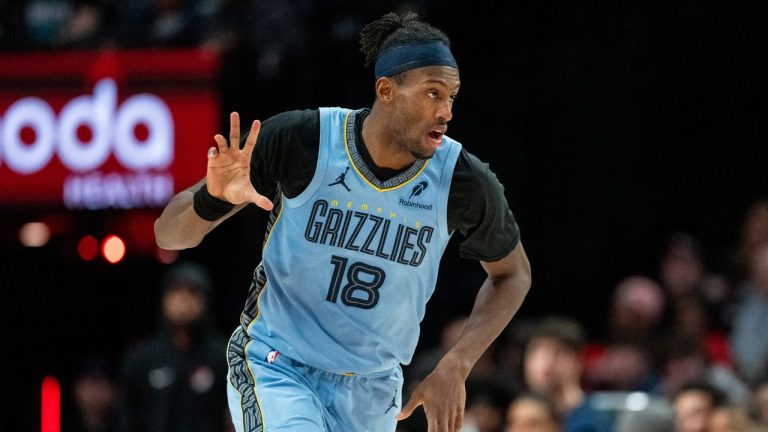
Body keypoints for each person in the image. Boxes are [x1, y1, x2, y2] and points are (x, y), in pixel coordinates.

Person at [154, 11, 532, 432]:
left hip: (374, 389)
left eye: (451, 97)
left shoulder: (462, 180)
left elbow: (513, 274)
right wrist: (211, 199)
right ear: (387, 91)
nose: (446, 111)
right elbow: (168, 233)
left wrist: (457, 363)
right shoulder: (304, 140)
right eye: (432, 93)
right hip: (281, 367)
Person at [116, 262, 231, 432]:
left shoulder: (224, 357)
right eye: (175, 291)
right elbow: (127, 418)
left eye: (192, 292)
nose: (183, 300)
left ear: (206, 300)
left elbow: (233, 419)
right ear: (163, 299)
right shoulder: (142, 359)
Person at [522, 316, 613, 432]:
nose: (546, 363)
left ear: (578, 361)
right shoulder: (514, 414)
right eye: (537, 351)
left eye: (558, 353)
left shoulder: (591, 423)